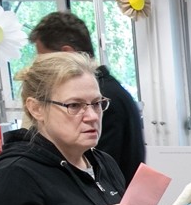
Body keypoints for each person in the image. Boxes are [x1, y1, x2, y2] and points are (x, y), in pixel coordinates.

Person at [0, 52, 189, 205]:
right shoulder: (16, 174)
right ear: (36, 108)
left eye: (97, 104)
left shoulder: (102, 162)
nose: (91, 116)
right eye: (74, 105)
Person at [29, 11, 146, 184]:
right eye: (75, 105)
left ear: (67, 53)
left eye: (44, 58)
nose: (91, 114)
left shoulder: (108, 94)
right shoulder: (112, 88)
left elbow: (100, 169)